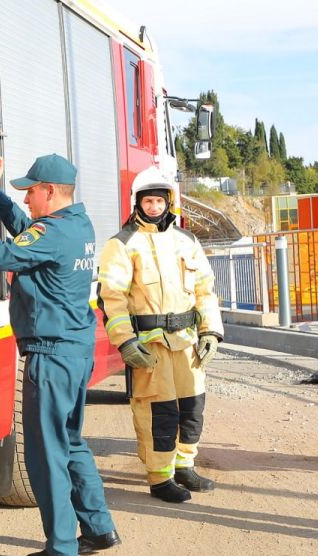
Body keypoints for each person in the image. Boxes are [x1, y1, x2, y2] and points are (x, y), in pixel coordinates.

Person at [0, 153, 118, 556]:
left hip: (51, 354)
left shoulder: (54, 232)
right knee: (72, 443)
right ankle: (98, 528)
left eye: (29, 192)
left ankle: (62, 550)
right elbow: (30, 235)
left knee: (46, 455)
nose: (25, 199)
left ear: (49, 192)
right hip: (74, 351)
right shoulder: (76, 226)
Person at [97, 166, 224, 503]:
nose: (153, 206)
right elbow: (113, 298)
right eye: (147, 200)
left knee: (191, 407)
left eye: (158, 200)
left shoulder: (187, 241)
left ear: (169, 202)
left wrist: (211, 331)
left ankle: (184, 466)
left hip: (187, 342)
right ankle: (159, 476)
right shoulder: (122, 244)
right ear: (137, 202)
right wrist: (125, 342)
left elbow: (205, 290)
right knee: (158, 412)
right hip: (149, 345)